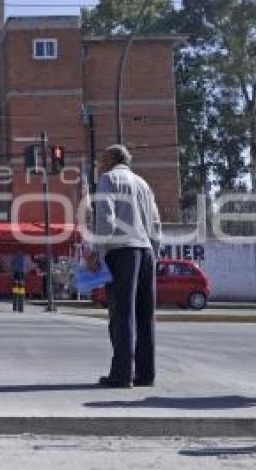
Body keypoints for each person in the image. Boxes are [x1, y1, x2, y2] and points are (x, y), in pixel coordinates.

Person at [90, 145, 161, 388]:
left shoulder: (108, 179)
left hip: (121, 252)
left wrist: (97, 251)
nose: (99, 163)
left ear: (111, 159)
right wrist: (153, 252)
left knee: (122, 314)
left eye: (101, 158)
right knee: (144, 314)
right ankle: (146, 373)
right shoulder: (143, 184)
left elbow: (105, 220)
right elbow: (155, 223)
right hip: (146, 251)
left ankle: (122, 374)